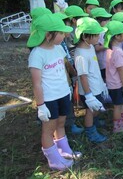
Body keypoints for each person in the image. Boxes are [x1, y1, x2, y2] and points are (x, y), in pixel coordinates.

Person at [27, 14, 81, 170]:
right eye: (61, 32)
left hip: (63, 94)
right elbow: (36, 83)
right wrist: (41, 105)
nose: (65, 35)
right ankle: (53, 159)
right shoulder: (37, 54)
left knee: (61, 123)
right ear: (48, 34)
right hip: (49, 99)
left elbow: (63, 69)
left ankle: (64, 150)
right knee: (48, 129)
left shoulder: (58, 48)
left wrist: (68, 88)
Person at [74, 17, 108, 143]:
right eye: (96, 35)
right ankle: (90, 131)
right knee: (91, 110)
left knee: (97, 108)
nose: (99, 37)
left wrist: (102, 83)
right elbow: (83, 76)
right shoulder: (81, 54)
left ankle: (95, 122)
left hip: (96, 84)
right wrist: (88, 95)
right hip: (89, 89)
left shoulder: (90, 47)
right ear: (85, 36)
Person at [54, 12, 84, 135]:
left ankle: (69, 123)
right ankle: (69, 125)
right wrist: (72, 73)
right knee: (67, 102)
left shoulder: (62, 42)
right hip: (63, 79)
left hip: (68, 76)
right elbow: (65, 62)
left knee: (70, 99)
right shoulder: (57, 45)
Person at [90, 7, 112, 80]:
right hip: (102, 63)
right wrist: (108, 44)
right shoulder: (96, 33)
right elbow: (97, 48)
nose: (107, 22)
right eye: (105, 20)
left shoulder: (105, 30)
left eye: (108, 20)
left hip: (109, 61)